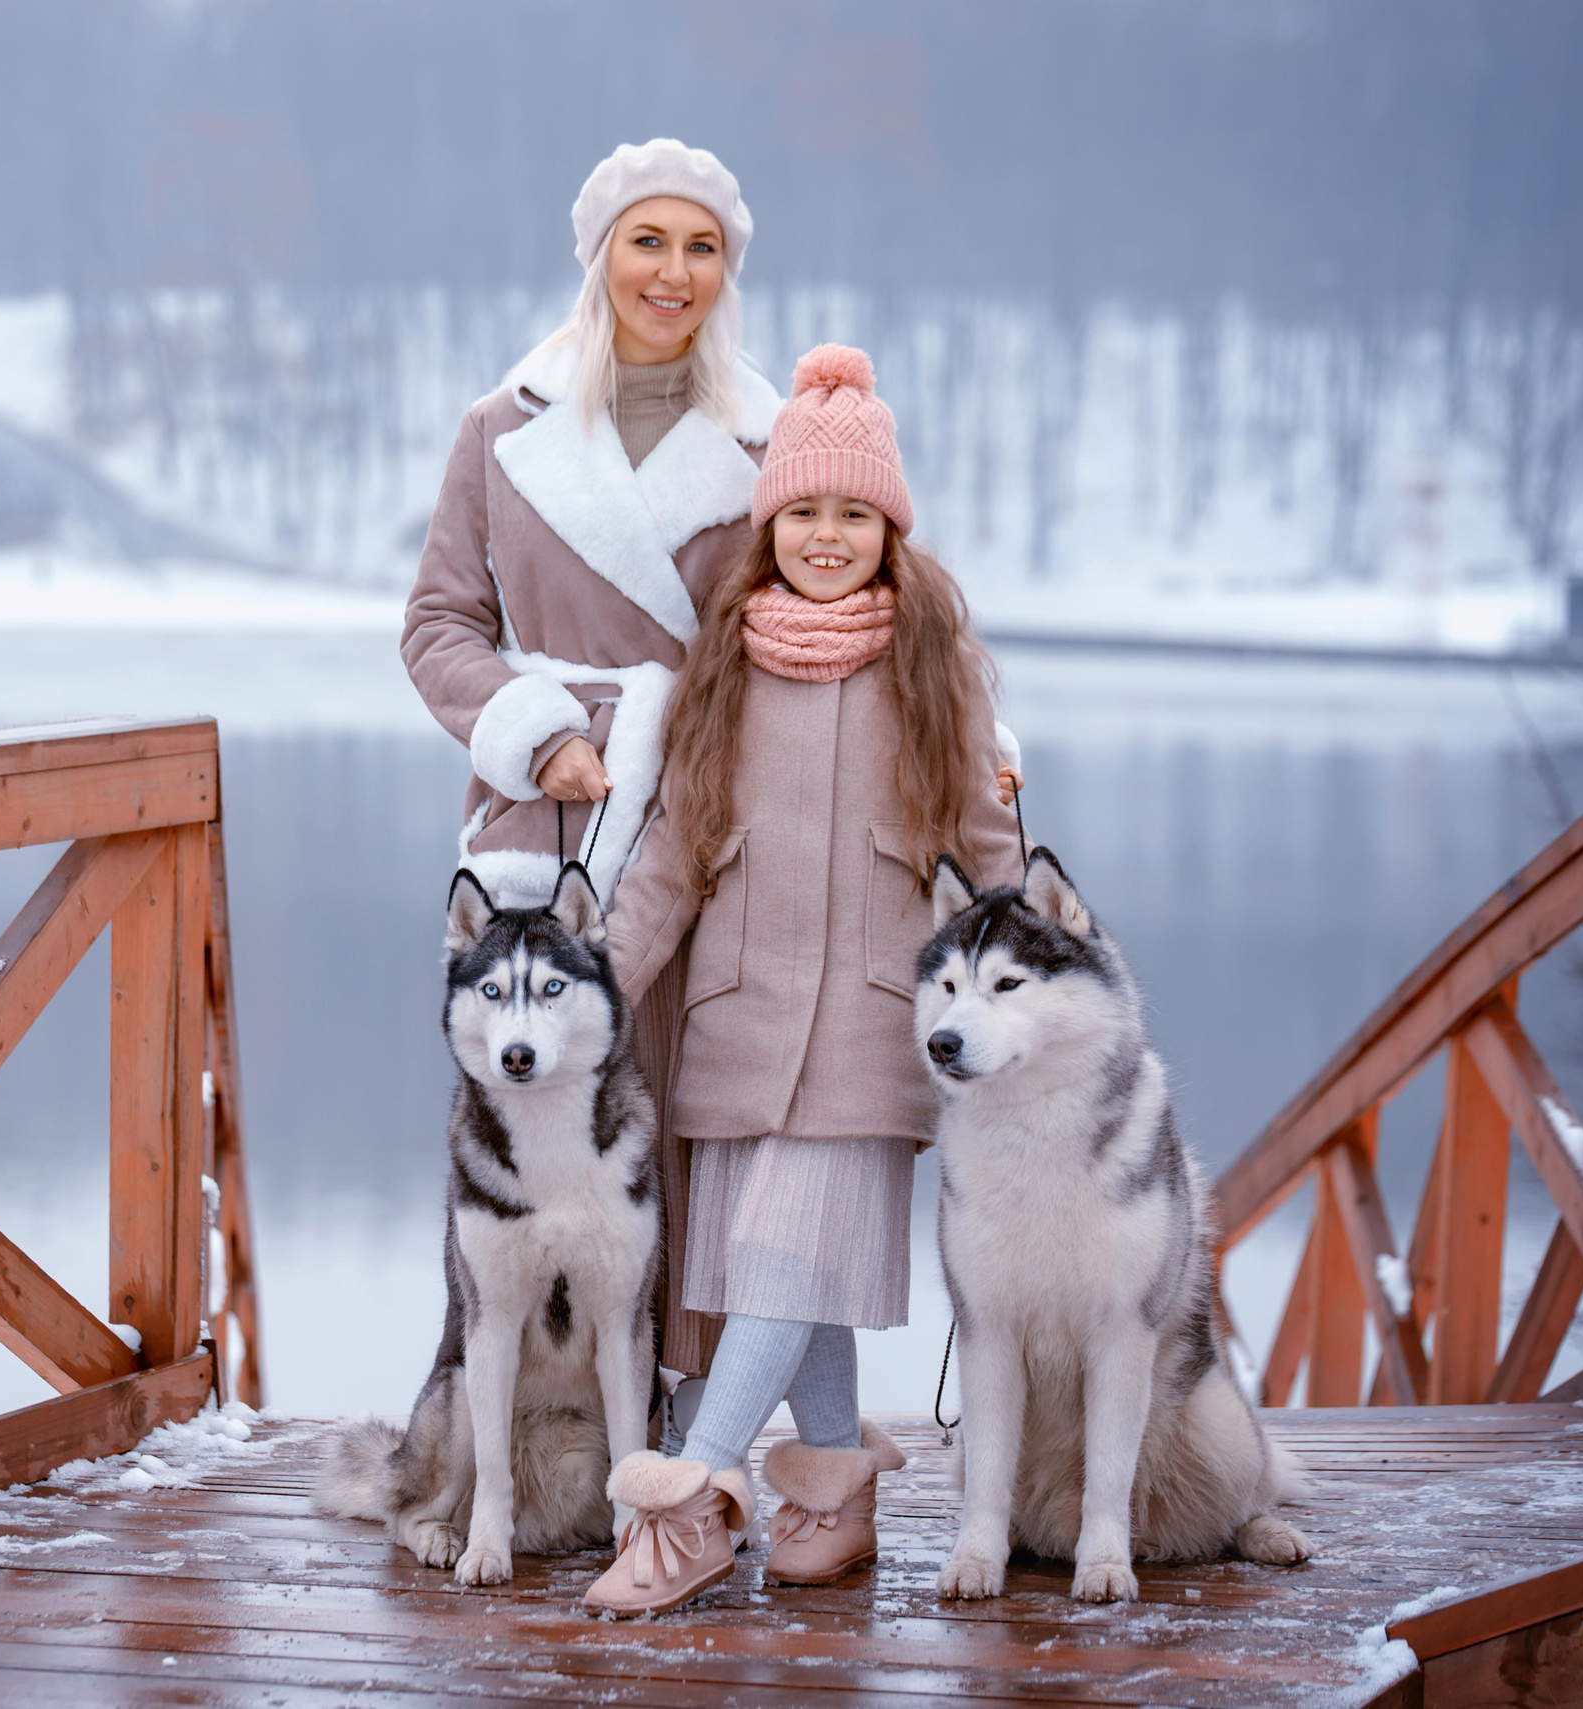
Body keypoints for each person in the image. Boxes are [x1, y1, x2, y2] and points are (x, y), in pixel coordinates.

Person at [580, 345, 1025, 1617]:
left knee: (781, 1262)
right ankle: (832, 1499)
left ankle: (696, 1497)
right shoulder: (729, 667)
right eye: (803, 513)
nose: (826, 537)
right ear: (769, 522)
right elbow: (671, 856)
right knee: (796, 1284)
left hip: (876, 1033)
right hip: (737, 1023)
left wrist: (1058, 972)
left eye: (853, 514)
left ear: (889, 529)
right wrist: (598, 988)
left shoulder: (933, 668)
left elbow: (988, 859)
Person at [400, 138, 778, 1395]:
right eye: (647, 241)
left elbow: (867, 608)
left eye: (702, 246)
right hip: (546, 825)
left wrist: (977, 753)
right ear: (601, 254)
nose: (672, 273)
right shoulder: (499, 430)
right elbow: (437, 625)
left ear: (729, 268)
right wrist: (532, 728)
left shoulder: (772, 442)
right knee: (530, 1133)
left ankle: (681, 1432)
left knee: (688, 1119)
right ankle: (504, 1419)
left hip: (709, 814)